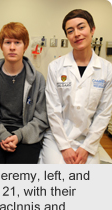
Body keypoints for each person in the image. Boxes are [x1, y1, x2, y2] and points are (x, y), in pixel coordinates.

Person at [42, 9, 112, 164]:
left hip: (88, 140)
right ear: (67, 36)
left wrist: (87, 147)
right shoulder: (55, 67)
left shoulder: (107, 69)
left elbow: (103, 113)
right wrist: (65, 147)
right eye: (70, 31)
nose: (76, 34)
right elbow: (53, 109)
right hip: (57, 137)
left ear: (92, 29)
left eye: (81, 27)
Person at [0, 22, 48, 164]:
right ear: (1, 46)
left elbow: (41, 117)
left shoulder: (37, 79)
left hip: (26, 133)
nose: (12, 47)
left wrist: (19, 135)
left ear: (25, 46)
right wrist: (2, 134)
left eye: (17, 42)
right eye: (8, 42)